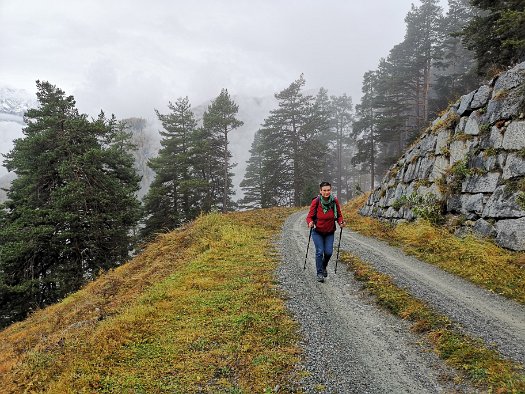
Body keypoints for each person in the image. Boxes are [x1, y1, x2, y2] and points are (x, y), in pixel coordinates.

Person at [306, 181, 345, 282]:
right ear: (320, 191)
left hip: (329, 232)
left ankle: (324, 266)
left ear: (331, 190)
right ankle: (319, 273)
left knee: (328, 252)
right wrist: (310, 222)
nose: (326, 192)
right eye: (324, 190)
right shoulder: (316, 201)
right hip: (317, 231)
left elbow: (339, 215)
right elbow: (309, 216)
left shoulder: (334, 201)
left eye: (328, 190)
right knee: (319, 251)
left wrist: (341, 222)